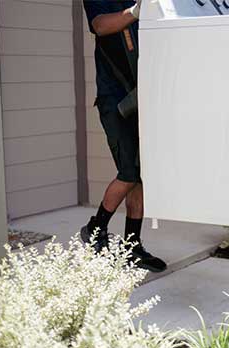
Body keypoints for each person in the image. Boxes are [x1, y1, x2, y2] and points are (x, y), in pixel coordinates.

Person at [81, 0, 167, 273]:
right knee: (128, 172)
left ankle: (132, 247)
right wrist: (134, 12)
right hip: (114, 99)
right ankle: (95, 229)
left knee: (140, 175)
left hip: (141, 97)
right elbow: (99, 25)